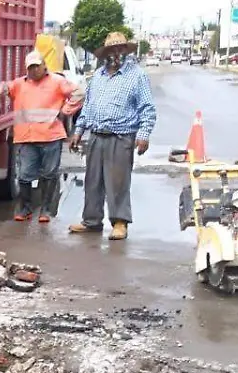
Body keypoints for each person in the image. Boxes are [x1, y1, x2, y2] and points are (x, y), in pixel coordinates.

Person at [68, 32, 156, 241]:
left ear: (125, 51)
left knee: (117, 182)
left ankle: (119, 222)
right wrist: (78, 131)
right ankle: (91, 221)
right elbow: (88, 107)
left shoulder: (137, 75)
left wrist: (143, 135)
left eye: (119, 49)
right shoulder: (98, 76)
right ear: (105, 53)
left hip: (122, 136)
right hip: (97, 136)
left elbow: (147, 108)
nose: (115, 53)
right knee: (93, 181)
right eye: (111, 50)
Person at [0, 50, 82, 223]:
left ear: (44, 66)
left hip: (51, 137)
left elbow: (79, 93)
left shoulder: (57, 81)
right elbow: (4, 86)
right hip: (27, 138)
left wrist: (66, 110)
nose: (34, 70)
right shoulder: (19, 84)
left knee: (49, 175)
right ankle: (25, 209)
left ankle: (46, 210)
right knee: (25, 176)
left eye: (37, 66)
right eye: (30, 67)